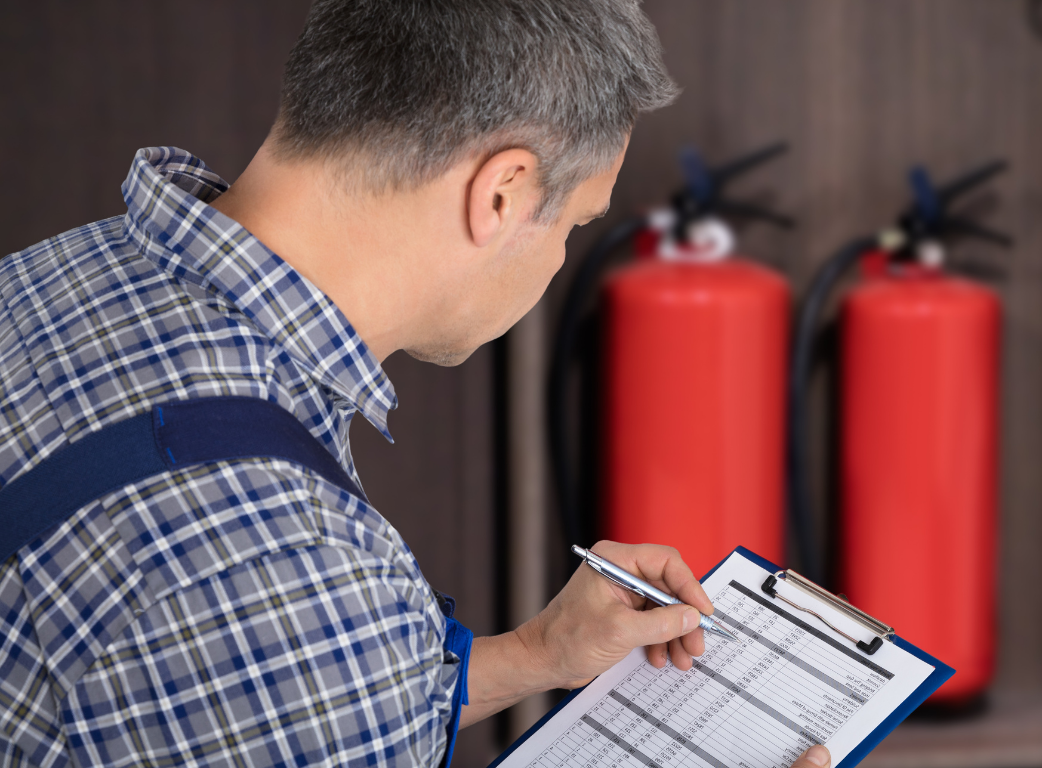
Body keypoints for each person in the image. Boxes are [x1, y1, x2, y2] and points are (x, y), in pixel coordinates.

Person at [0, 2, 834, 767]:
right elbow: (298, 667)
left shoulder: (55, 275)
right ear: (502, 194)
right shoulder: (296, 576)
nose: (560, 258)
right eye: (577, 223)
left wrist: (537, 653)